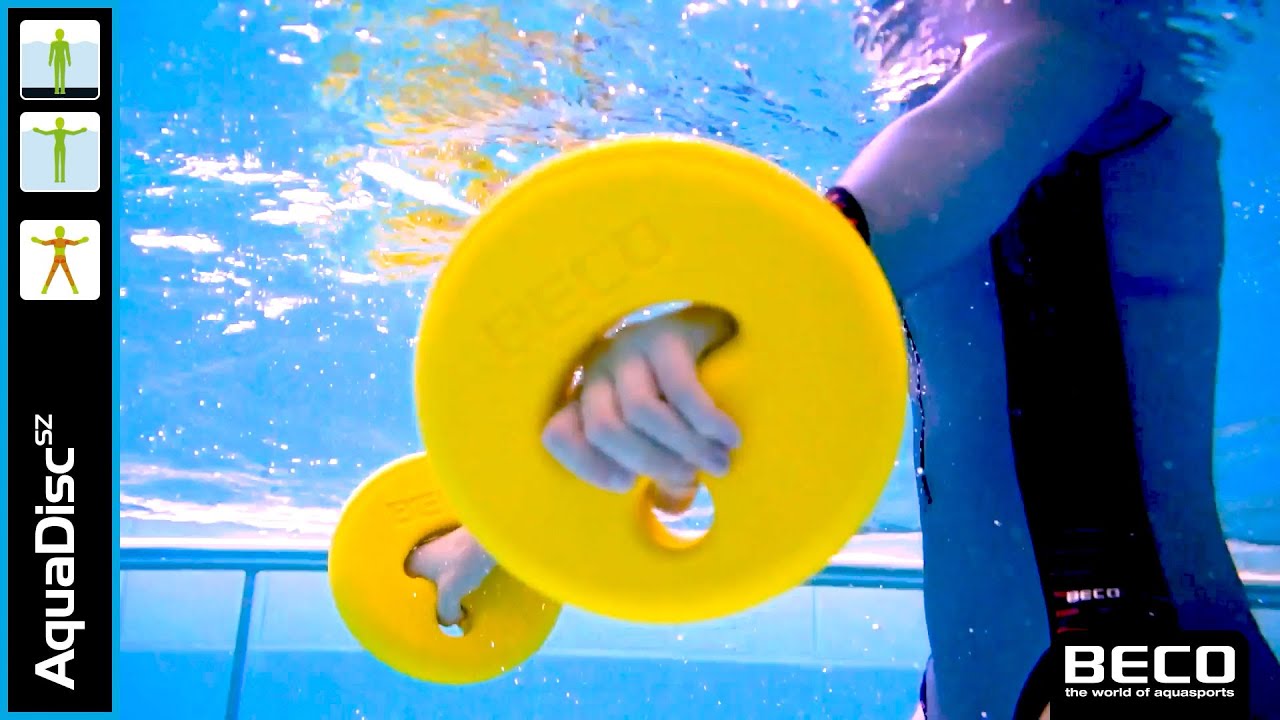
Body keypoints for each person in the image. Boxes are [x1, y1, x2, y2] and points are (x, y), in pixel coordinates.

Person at [408, 1, 1280, 717]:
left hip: (1138, 671)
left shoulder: (1068, 57)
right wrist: (508, 527)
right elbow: (746, 384)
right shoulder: (959, 140)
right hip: (1015, 684)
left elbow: (1033, 77)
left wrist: (732, 309)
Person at [31, 226, 90, 295]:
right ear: (63, 233)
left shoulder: (54, 241)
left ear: (55, 233)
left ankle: (44, 290)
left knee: (52, 274)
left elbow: (44, 243)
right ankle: (75, 290)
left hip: (57, 259)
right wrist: (82, 240)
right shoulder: (65, 241)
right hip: (62, 259)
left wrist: (37, 240)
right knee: (68, 274)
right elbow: (74, 243)